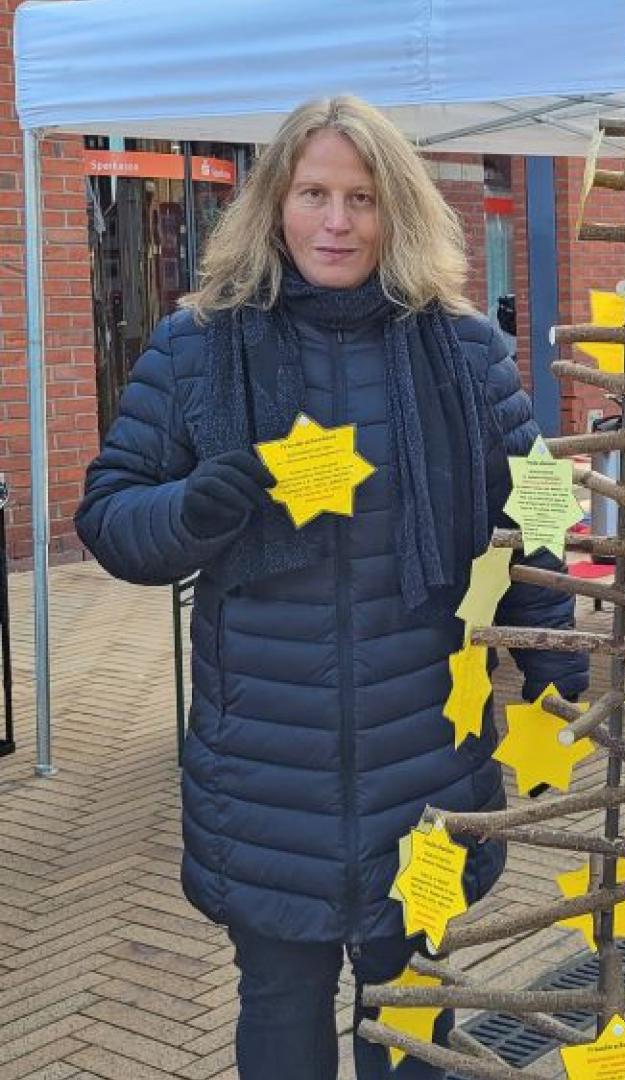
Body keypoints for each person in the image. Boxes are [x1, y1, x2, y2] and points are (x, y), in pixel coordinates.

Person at [75, 96, 588, 1079]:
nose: (337, 220)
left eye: (362, 197)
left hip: (431, 766)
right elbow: (111, 519)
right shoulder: (198, 348)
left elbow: (538, 512)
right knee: (280, 1007)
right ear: (274, 205)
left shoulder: (463, 348)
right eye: (314, 193)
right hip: (265, 774)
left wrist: (555, 651)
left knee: (416, 1018)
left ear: (399, 211)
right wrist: (191, 509)